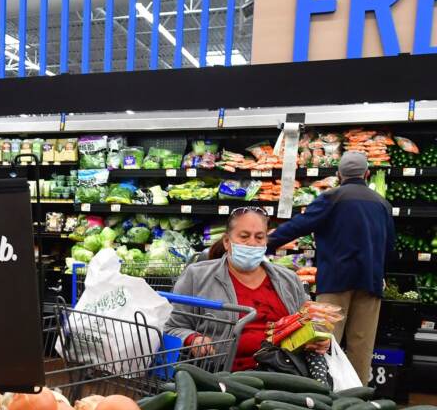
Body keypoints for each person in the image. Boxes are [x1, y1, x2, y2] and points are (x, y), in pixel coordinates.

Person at [267, 151, 395, 384]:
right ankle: (356, 400)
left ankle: (324, 392)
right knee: (362, 345)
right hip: (370, 281)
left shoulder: (332, 198)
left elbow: (299, 226)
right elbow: (390, 246)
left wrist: (265, 243)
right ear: (366, 174)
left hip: (336, 280)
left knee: (325, 342)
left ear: (338, 175)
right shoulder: (382, 204)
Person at [166, 207, 329, 371]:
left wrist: (317, 337)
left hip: (284, 372)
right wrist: (192, 339)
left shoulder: (289, 280)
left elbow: (307, 323)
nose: (252, 243)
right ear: (227, 241)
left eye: (259, 237)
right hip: (222, 375)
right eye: (244, 237)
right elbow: (170, 327)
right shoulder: (197, 276)